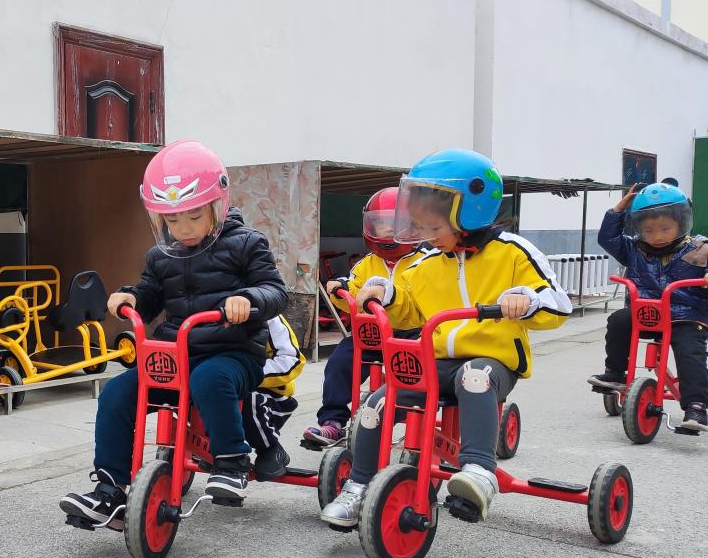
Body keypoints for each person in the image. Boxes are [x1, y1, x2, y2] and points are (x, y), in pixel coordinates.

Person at [320, 149, 572, 527]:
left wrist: (527, 300)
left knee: (476, 376)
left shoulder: (513, 253)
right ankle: (359, 486)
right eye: (420, 227)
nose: (426, 237)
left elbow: (559, 306)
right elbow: (409, 312)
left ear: (469, 214)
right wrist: (388, 295)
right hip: (436, 362)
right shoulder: (425, 264)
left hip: (492, 362)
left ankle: (479, 471)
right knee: (376, 402)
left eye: (434, 228)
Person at [59, 139, 289, 530]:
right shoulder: (161, 256)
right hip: (175, 355)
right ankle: (110, 489)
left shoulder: (248, 244)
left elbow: (276, 291)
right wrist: (130, 297)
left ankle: (231, 462)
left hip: (233, 353)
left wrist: (248, 299)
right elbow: (150, 295)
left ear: (217, 205)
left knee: (210, 379)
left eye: (193, 217)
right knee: (116, 393)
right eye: (172, 220)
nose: (182, 229)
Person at [301, 187, 426, 448]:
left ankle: (412, 422)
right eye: (380, 224)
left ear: (413, 225)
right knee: (339, 362)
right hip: (374, 334)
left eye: (395, 224)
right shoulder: (367, 263)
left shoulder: (426, 263)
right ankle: (333, 422)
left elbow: (426, 300)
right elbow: (354, 292)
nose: (387, 231)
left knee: (413, 376)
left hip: (412, 334)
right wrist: (340, 289)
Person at [587, 182, 708, 431]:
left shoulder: (700, 249)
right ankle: (615, 373)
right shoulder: (633, 249)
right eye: (649, 230)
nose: (658, 236)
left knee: (690, 350)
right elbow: (607, 238)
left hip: (685, 317)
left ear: (681, 222)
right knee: (619, 320)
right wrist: (618, 210)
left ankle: (696, 405)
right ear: (639, 228)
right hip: (646, 314)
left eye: (665, 228)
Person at [245, 313, 305, 478]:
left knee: (249, 400)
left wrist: (248, 374)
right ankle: (223, 450)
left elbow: (292, 360)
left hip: (270, 393)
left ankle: (270, 448)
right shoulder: (203, 305)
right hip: (225, 384)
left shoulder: (269, 315)